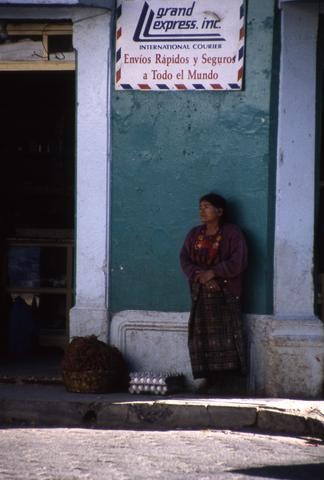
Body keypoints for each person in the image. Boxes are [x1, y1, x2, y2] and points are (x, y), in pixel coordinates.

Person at [180, 193, 248, 393]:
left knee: (226, 334)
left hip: (225, 293)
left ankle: (225, 381)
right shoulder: (194, 234)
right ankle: (208, 379)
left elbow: (239, 261)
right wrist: (201, 276)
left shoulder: (232, 233)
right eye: (200, 206)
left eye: (207, 206)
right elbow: (184, 259)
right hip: (200, 293)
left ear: (219, 211)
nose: (202, 210)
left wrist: (214, 274)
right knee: (201, 336)